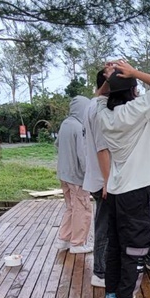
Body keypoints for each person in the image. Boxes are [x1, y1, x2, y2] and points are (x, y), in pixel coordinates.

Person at [97, 61, 150, 298]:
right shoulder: (136, 109)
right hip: (135, 189)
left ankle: (113, 294)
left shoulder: (104, 114)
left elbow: (98, 97)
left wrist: (110, 78)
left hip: (116, 189)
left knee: (116, 244)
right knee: (135, 246)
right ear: (132, 91)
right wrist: (133, 72)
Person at [83, 71, 111, 288]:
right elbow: (103, 150)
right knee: (103, 227)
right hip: (103, 180)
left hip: (95, 177)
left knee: (104, 224)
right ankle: (100, 272)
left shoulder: (91, 105)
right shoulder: (101, 110)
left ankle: (103, 267)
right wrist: (108, 181)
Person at [56, 96, 93, 253]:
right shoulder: (79, 127)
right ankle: (78, 243)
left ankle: (64, 240)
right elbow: (83, 156)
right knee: (83, 208)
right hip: (77, 177)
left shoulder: (65, 124)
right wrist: (89, 174)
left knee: (71, 208)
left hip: (64, 174)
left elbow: (56, 144)